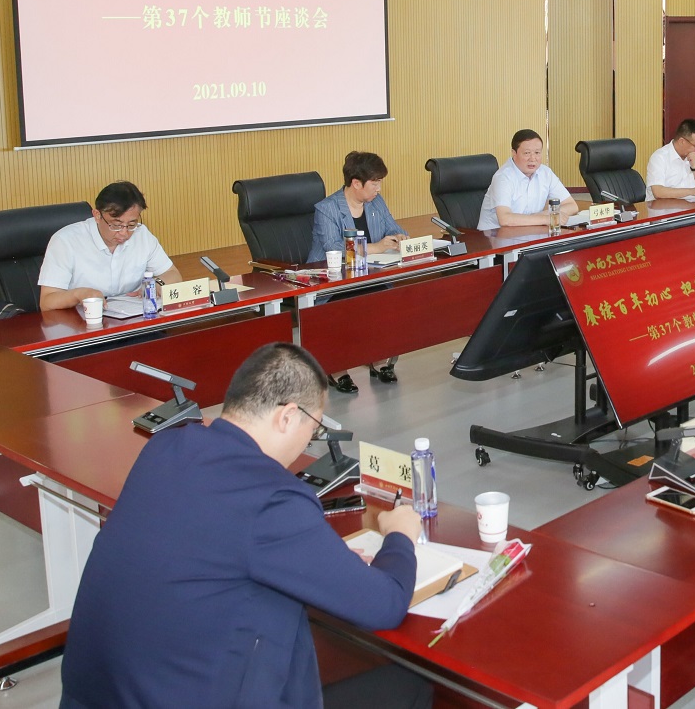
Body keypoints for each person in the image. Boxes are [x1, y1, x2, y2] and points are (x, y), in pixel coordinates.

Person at [60, 343, 431, 709]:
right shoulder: (272, 497)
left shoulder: (165, 446)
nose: (310, 439)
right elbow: (383, 604)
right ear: (288, 417)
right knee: (410, 686)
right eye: (314, 427)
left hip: (94, 697)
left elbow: (216, 543)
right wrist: (400, 534)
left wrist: (322, 559)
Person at [38, 181, 180, 312]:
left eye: (131, 224)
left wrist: (157, 284)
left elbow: (173, 274)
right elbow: (47, 301)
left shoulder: (142, 234)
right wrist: (78, 294)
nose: (124, 233)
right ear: (97, 215)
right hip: (82, 322)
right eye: (116, 225)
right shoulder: (65, 241)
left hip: (132, 319)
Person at [308, 151, 406, 262]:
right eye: (374, 184)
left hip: (369, 267)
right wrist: (376, 247)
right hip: (328, 269)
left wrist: (398, 236)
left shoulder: (376, 201)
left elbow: (393, 228)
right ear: (356, 184)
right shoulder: (327, 209)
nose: (379, 189)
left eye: (380, 183)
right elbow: (334, 247)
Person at [478, 129, 578, 231]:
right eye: (527, 153)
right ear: (514, 153)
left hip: (527, 233)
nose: (533, 158)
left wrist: (545, 215)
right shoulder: (503, 177)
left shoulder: (545, 173)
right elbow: (505, 219)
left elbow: (572, 206)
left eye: (537, 153)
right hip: (493, 236)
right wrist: (547, 218)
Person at [647, 118, 695, 200]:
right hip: (664, 206)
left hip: (691, 205)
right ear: (682, 141)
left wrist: (694, 166)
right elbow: (658, 192)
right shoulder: (659, 157)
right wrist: (692, 191)